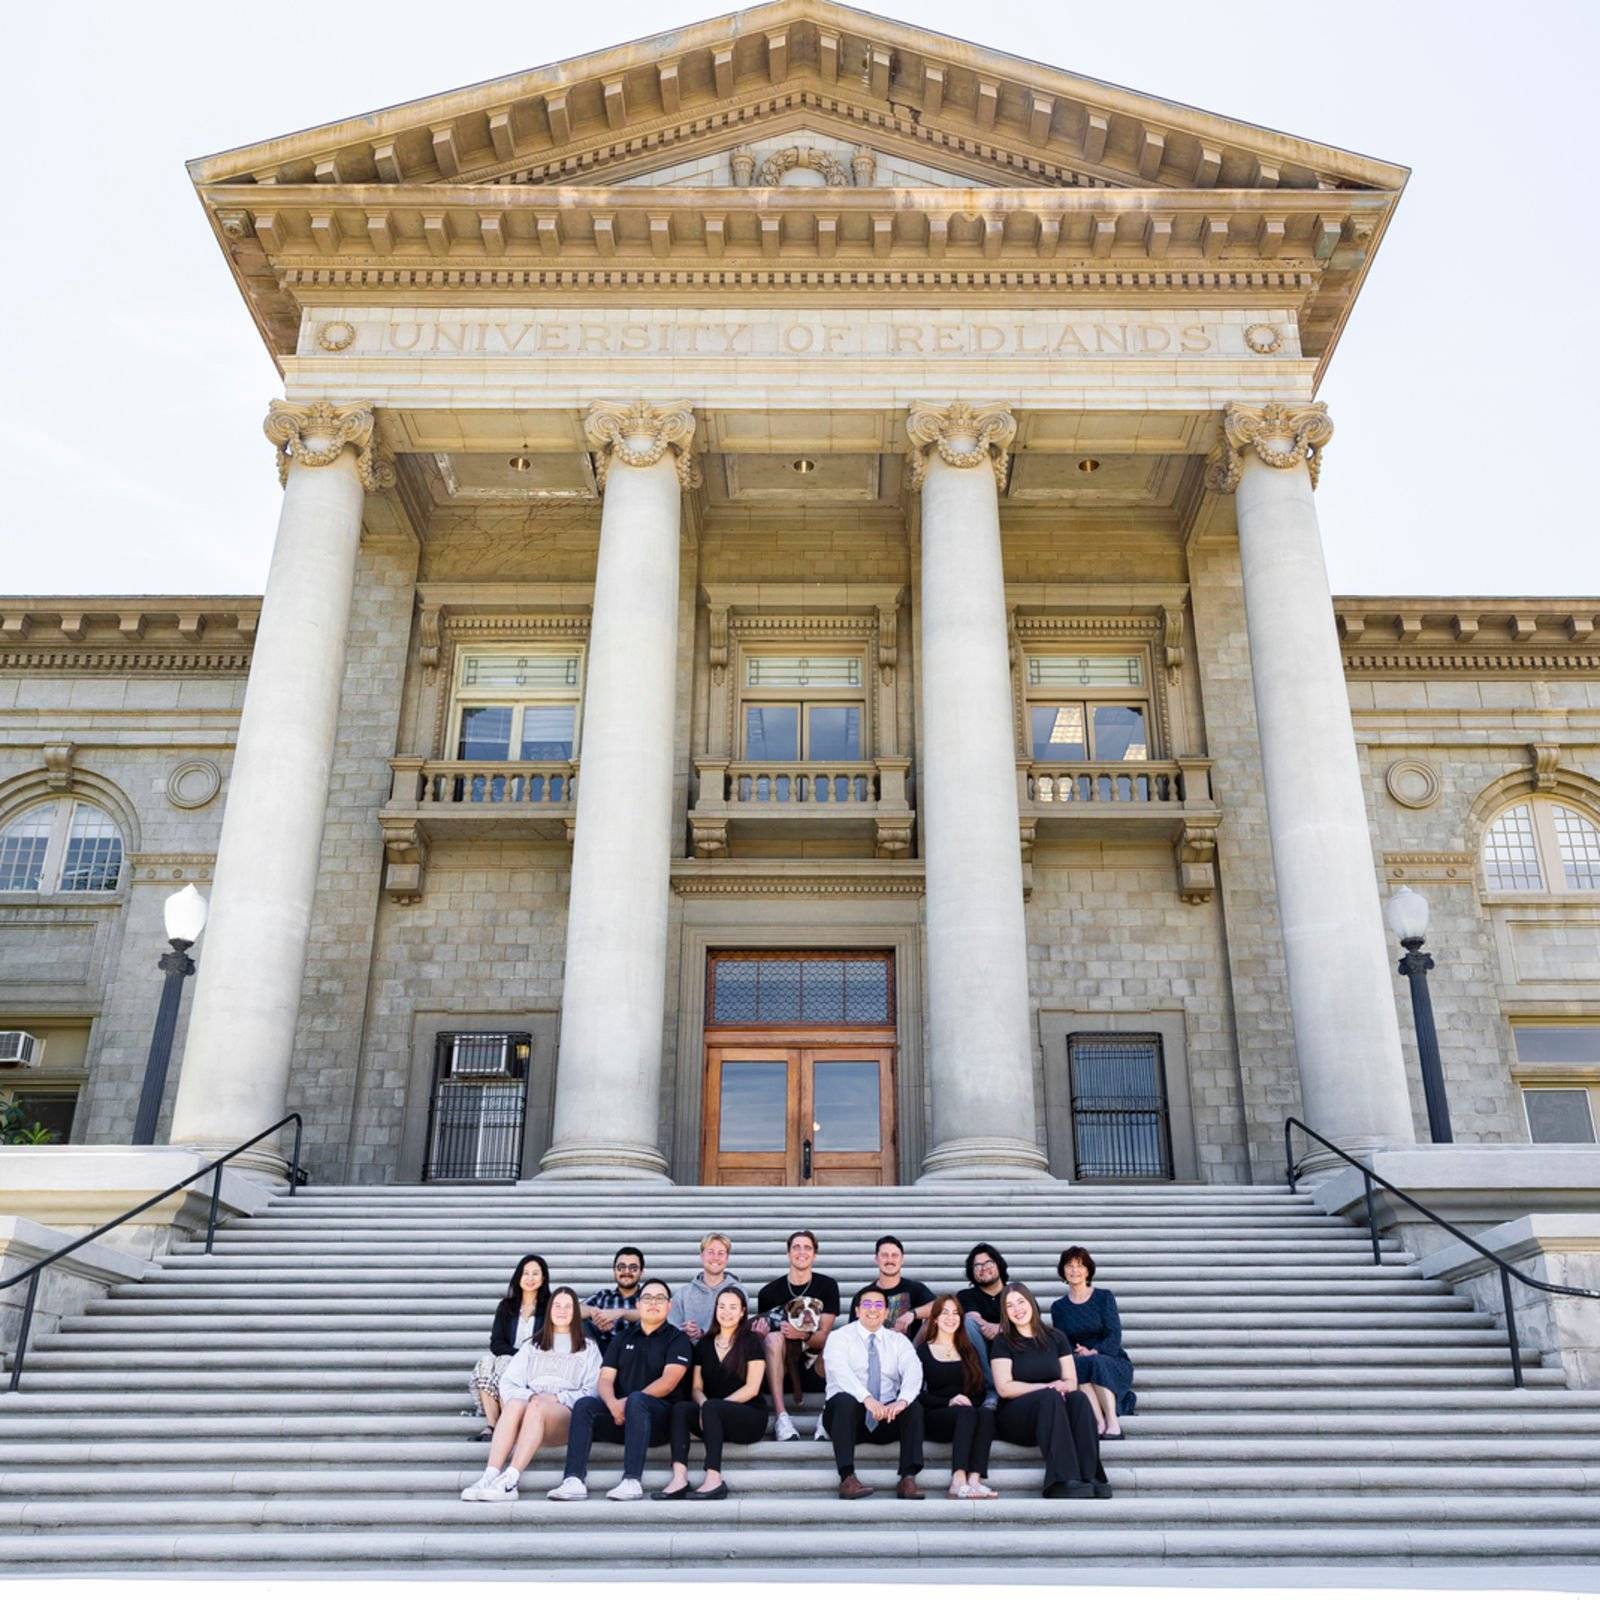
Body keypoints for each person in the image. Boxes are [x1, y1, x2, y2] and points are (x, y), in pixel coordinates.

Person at [549, 1277, 692, 1502]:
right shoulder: (623, 1337)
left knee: (637, 1399)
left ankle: (632, 1481)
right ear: (638, 1304)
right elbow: (605, 1378)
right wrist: (612, 1403)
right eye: (647, 1298)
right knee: (585, 1405)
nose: (653, 1303)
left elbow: (668, 1382)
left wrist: (626, 1402)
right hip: (621, 1418)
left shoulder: (678, 1338)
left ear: (669, 1306)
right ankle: (574, 1479)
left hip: (658, 1422)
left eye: (660, 1298)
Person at [460, 1286, 601, 1501]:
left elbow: (592, 1390)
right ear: (549, 1310)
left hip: (562, 1418)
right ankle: (490, 1475)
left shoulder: (588, 1348)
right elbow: (508, 1383)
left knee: (537, 1406)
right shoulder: (533, 1345)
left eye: (568, 1306)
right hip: (529, 1414)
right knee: (516, 1403)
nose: (562, 1310)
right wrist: (533, 1397)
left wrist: (556, 1398)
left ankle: (511, 1481)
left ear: (576, 1312)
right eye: (557, 1305)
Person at [990, 1281, 1108, 1500]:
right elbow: (1004, 1388)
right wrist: (1046, 1387)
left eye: (1021, 1302)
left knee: (1079, 1398)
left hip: (1054, 1411)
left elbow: (1071, 1380)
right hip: (1017, 1417)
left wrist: (1060, 1387)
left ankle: (1090, 1475)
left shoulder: (1056, 1337)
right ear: (1005, 1313)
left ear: (1032, 1303)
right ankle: (1061, 1479)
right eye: (1010, 1306)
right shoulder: (1002, 1342)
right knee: (1050, 1396)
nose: (1017, 1309)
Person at [653, 1286, 769, 1500]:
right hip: (713, 1415)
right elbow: (696, 1387)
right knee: (680, 1409)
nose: (727, 1311)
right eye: (722, 1306)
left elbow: (752, 1388)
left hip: (748, 1417)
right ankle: (679, 1478)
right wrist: (705, 1405)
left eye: (733, 1307)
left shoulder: (751, 1341)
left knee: (713, 1406)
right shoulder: (704, 1344)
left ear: (743, 1311)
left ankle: (714, 1479)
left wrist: (713, 1408)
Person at [820, 1285, 925, 1500]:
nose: (873, 1309)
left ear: (886, 1312)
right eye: (866, 1304)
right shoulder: (839, 1337)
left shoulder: (898, 1341)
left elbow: (914, 1370)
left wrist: (901, 1402)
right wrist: (867, 1399)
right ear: (857, 1311)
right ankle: (847, 1478)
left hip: (886, 1417)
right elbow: (840, 1372)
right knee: (844, 1400)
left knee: (914, 1407)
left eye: (879, 1305)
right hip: (848, 1420)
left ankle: (908, 1478)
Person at [756, 1229, 840, 1442]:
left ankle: (826, 1416)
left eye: (807, 1248)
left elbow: (823, 1336)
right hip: (782, 1369)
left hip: (816, 1368)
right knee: (772, 1338)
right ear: (788, 1253)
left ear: (815, 1255)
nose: (801, 1252)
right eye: (796, 1247)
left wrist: (800, 1334)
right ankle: (782, 1417)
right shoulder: (769, 1292)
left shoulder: (827, 1286)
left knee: (837, 1340)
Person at [917, 1293, 998, 1500]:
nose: (951, 1317)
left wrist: (969, 1401)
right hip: (936, 1415)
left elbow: (979, 1390)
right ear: (934, 1319)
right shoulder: (923, 1351)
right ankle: (958, 1480)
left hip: (966, 1414)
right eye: (945, 1313)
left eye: (955, 1313)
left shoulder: (968, 1350)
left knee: (986, 1414)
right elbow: (917, 1395)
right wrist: (949, 1401)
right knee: (966, 1413)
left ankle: (974, 1479)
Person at [1050, 1245, 1136, 1439]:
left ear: (1088, 1270)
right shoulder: (1059, 1307)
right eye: (1069, 1266)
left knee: (1094, 1362)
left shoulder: (1103, 1297)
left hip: (1110, 1357)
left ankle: (1113, 1422)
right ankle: (1098, 1421)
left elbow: (1114, 1335)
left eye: (1080, 1266)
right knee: (1078, 1365)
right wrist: (1077, 1351)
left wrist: (1094, 1351)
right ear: (1063, 1270)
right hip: (1080, 1357)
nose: (1074, 1270)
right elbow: (1063, 1341)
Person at [467, 1253, 549, 1438]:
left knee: (505, 1365)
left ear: (543, 1278)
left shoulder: (550, 1307)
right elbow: (496, 1343)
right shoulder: (506, 1306)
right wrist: (517, 1355)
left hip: (537, 1360)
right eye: (525, 1273)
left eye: (535, 1273)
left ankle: (509, 1424)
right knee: (487, 1363)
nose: (530, 1278)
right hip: (509, 1357)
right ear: (518, 1277)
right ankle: (493, 1425)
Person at [955, 1242, 1009, 1406]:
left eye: (988, 1263)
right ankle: (992, 1388)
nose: (983, 1268)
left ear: (998, 1265)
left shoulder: (1015, 1292)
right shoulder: (967, 1295)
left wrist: (999, 1328)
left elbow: (1032, 1320)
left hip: (1013, 1349)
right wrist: (992, 1327)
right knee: (969, 1322)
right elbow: (973, 1319)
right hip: (982, 1350)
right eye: (977, 1265)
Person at [851, 1236, 935, 1335]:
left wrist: (913, 1314)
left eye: (894, 1255)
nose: (889, 1260)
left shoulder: (915, 1289)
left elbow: (939, 1307)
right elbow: (853, 1331)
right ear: (876, 1259)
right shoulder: (863, 1295)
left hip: (908, 1348)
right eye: (884, 1255)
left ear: (902, 1259)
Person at [670, 1232, 742, 1340]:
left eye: (721, 1253)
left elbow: (739, 1328)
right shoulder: (683, 1295)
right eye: (711, 1252)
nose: (715, 1258)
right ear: (702, 1256)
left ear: (727, 1258)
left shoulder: (738, 1291)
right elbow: (671, 1329)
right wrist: (683, 1330)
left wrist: (704, 1332)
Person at [583, 1246, 645, 1341]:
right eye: (621, 1267)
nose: (627, 1271)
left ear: (641, 1272)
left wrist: (621, 1313)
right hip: (604, 1351)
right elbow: (574, 1309)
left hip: (638, 1350)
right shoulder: (603, 1296)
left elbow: (653, 1313)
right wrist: (597, 1313)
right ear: (614, 1271)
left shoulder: (647, 1297)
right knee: (581, 1322)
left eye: (633, 1268)